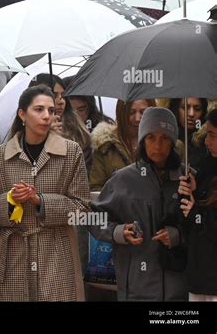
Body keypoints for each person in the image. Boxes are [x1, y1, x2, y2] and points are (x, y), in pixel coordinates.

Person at [0, 85, 91, 301]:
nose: (46, 116)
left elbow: (82, 208)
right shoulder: (1, 154)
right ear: (22, 114)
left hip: (56, 252)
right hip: (14, 252)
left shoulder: (71, 152)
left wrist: (40, 201)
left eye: (51, 110)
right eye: (38, 109)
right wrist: (11, 200)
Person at [90, 107, 194, 301]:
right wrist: (119, 232)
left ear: (173, 142)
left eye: (164, 138)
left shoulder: (188, 179)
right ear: (142, 141)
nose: (157, 145)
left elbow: (204, 227)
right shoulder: (123, 179)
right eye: (151, 138)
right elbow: (93, 218)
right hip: (136, 288)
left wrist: (178, 235)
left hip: (181, 289)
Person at [180, 108, 217, 301]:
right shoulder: (206, 167)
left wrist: (196, 211)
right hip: (199, 277)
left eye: (212, 135)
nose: (206, 141)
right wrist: (191, 191)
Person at [89, 99, 156, 191]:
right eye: (131, 112)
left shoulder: (167, 145)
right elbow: (95, 188)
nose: (137, 118)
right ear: (121, 113)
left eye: (143, 112)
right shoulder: (105, 146)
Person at [31, 74, 93, 171]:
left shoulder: (77, 130)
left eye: (63, 95)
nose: (61, 101)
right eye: (54, 96)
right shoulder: (24, 134)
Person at [168, 97, 208, 169]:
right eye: (185, 107)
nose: (191, 114)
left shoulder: (208, 142)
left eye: (197, 109)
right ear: (175, 108)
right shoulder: (165, 138)